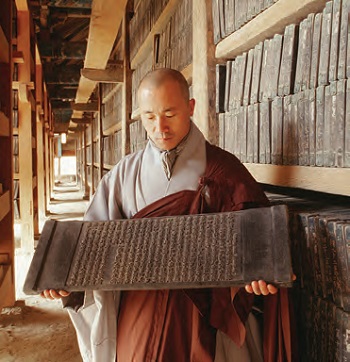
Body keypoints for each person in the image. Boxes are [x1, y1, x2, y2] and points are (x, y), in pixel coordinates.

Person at [41, 68, 296, 361]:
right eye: (149, 117)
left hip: (203, 316)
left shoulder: (224, 171)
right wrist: (66, 280)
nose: (160, 127)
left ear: (190, 108)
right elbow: (92, 245)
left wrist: (260, 278)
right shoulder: (124, 174)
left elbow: (259, 244)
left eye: (170, 114)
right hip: (139, 313)